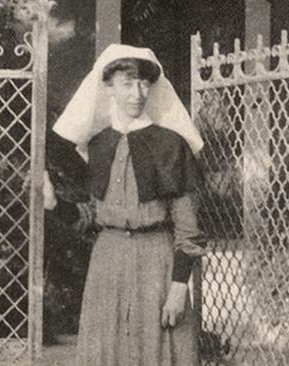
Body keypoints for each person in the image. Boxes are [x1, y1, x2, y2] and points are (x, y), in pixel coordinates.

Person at [44, 44, 207, 365]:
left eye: (144, 83)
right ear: (109, 88)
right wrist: (54, 204)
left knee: (158, 350)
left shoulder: (171, 144)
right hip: (108, 262)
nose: (137, 93)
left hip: (156, 262)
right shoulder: (99, 144)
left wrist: (178, 286)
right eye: (127, 83)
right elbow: (92, 215)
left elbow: (189, 228)